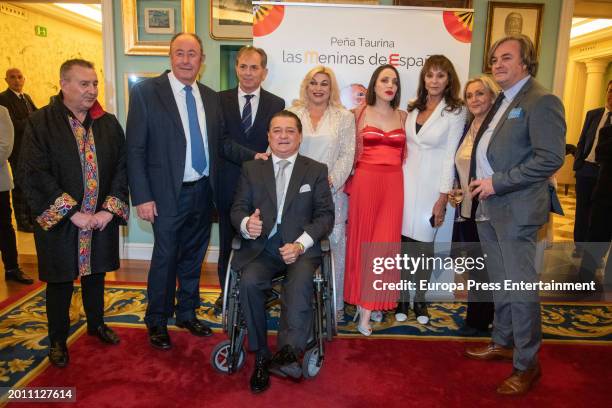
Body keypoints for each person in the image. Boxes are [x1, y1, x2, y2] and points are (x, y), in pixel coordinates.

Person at [126, 33, 267, 351]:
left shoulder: (210, 96)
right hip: (165, 195)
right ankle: (157, 320)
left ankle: (186, 313)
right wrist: (143, 197)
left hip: (204, 191)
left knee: (193, 256)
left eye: (193, 54)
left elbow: (221, 144)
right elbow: (134, 149)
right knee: (166, 257)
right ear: (170, 57)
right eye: (180, 53)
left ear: (202, 60)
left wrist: (253, 155)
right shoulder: (147, 92)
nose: (186, 59)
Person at [464, 35, 565, 395]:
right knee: (501, 282)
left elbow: (550, 158)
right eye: (494, 59)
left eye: (506, 58)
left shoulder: (542, 100)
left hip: (517, 209)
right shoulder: (503, 101)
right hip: (489, 207)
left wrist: (498, 183)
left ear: (526, 62)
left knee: (520, 289)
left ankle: (527, 365)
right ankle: (503, 341)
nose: (498, 64)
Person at [18, 59, 129, 367]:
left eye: (94, 83)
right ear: (64, 84)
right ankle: (57, 340)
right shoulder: (40, 123)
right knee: (60, 280)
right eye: (84, 84)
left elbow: (123, 167)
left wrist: (109, 209)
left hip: (99, 218)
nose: (92, 90)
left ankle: (96, 324)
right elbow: (34, 173)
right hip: (62, 222)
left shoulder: (108, 122)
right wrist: (72, 212)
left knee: (96, 274)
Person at [231, 110, 334, 393]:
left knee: (300, 282)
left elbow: (325, 216)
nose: (284, 135)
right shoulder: (252, 169)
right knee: (250, 282)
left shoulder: (315, 170)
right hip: (261, 249)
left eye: (290, 130)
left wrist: (301, 243)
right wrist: (245, 223)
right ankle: (262, 355)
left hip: (299, 249)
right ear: (268, 136)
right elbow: (237, 208)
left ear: (300, 136)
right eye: (277, 130)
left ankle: (288, 352)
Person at [216, 46, 285, 310]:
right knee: (227, 246)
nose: (248, 72)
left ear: (264, 72)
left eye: (254, 67)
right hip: (227, 186)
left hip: (261, 189)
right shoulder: (218, 100)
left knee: (259, 244)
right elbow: (221, 142)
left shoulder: (276, 104)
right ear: (236, 68)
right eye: (243, 66)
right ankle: (227, 300)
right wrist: (254, 156)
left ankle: (258, 295)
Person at [399, 55, 466, 324]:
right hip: (405, 184)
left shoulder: (456, 111)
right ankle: (403, 298)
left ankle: (420, 301)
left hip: (431, 189)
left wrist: (442, 198)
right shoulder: (413, 108)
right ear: (423, 79)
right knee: (404, 246)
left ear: (449, 79)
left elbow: (450, 156)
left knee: (424, 247)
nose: (434, 80)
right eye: (429, 75)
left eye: (440, 75)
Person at [344, 64, 407, 336]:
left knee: (384, 248)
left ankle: (368, 307)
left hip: (394, 184)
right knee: (362, 244)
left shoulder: (404, 117)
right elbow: (344, 150)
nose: (389, 85)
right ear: (374, 84)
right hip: (365, 183)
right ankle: (362, 304)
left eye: (394, 80)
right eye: (384, 80)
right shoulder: (356, 114)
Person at [288, 66, 355, 319]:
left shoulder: (344, 117)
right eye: (313, 83)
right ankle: (299, 305)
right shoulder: (293, 114)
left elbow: (348, 154)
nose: (318, 88)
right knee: (297, 247)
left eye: (324, 83)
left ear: (331, 88)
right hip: (296, 194)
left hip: (331, 193)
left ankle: (333, 308)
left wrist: (329, 183)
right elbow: (282, 147)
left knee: (334, 250)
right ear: (306, 86)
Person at [451, 76, 498, 334]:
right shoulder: (468, 127)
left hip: (489, 207)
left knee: (488, 266)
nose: (474, 100)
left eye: (480, 94)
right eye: (469, 96)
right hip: (467, 208)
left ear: (492, 96)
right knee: (475, 265)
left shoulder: (497, 128)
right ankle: (477, 316)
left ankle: (484, 321)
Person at [573, 80, 612, 256]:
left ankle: (593, 252)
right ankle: (579, 247)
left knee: (598, 214)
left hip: (607, 175)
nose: (611, 95)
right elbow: (582, 140)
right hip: (586, 169)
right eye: (610, 91)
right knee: (582, 210)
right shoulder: (593, 114)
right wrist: (578, 164)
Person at [0, 68, 37, 232]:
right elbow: (13, 125)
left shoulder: (26, 97)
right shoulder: (3, 98)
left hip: (31, 149)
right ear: (6, 80)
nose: (16, 80)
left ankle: (31, 219)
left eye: (19, 77)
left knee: (30, 184)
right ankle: (22, 222)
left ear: (24, 79)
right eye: (12, 77)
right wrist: (31, 120)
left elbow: (37, 116)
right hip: (15, 150)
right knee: (19, 185)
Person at [1, 105, 32, 284]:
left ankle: (12, 267)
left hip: (0, 185)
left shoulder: (2, 112)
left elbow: (5, 147)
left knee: (4, 226)